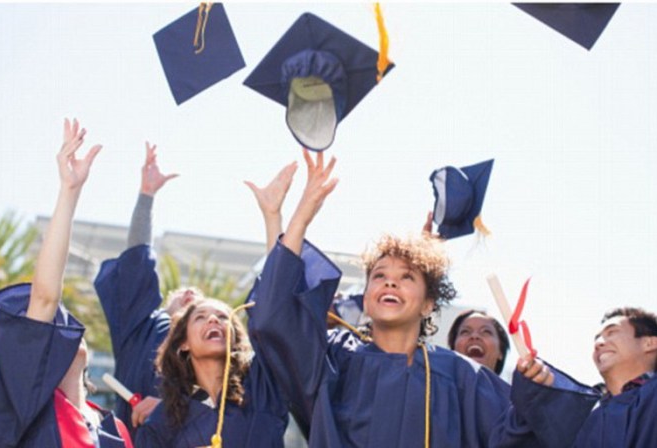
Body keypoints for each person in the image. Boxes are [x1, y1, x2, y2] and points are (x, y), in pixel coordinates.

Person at [247, 149, 584, 447]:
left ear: (428, 303)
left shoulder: (462, 375)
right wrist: (300, 216)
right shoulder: (335, 360)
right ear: (366, 299)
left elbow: (514, 434)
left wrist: (541, 389)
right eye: (379, 276)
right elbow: (275, 318)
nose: (389, 284)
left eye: (406, 277)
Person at [0, 119, 133, 447]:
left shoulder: (114, 427)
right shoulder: (20, 403)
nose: (58, 324)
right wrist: (69, 192)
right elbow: (45, 298)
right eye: (49, 327)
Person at [94, 142, 201, 432]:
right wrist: (146, 197)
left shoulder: (209, 347)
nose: (191, 293)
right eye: (183, 292)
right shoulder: (141, 326)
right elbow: (138, 259)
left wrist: (171, 406)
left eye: (200, 307)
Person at [133, 295, 289, 447]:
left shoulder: (262, 385)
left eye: (222, 317)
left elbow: (276, 310)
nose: (213, 319)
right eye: (200, 317)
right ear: (183, 343)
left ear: (234, 339)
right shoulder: (163, 422)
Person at [515, 306, 657, 446]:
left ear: (650, 343)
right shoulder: (580, 417)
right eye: (597, 338)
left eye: (612, 332)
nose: (598, 343)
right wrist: (532, 397)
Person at [448, 309, 510, 375]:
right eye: (465, 331)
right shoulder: (436, 383)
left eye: (486, 332)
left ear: (500, 351)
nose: (474, 336)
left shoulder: (519, 384)